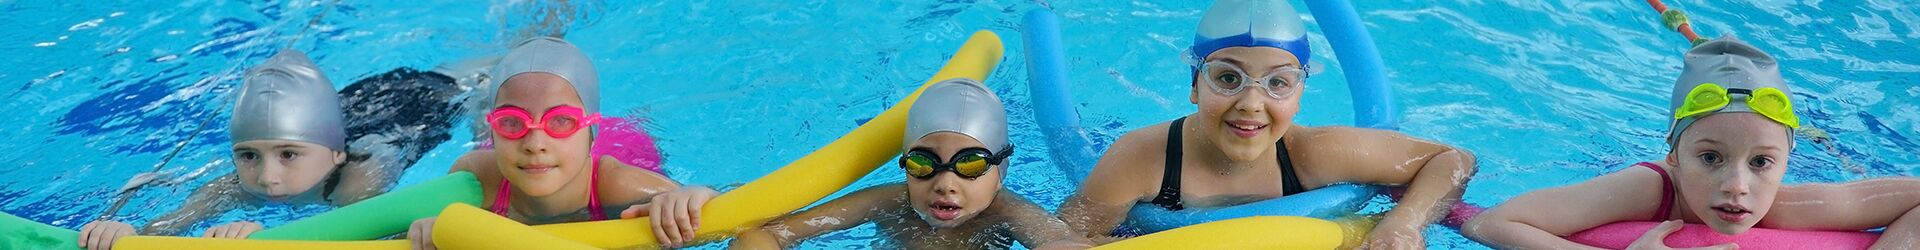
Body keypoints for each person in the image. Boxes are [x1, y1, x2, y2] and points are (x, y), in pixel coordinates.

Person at [1054, 0, 1477, 247]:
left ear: (1299, 96)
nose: (1251, 104)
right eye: (1227, 78)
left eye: (1278, 82)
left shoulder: (1315, 152)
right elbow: (1066, 239)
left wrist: (1404, 222)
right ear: (1194, 86)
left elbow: (1452, 158)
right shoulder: (1142, 159)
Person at [1463, 37, 1920, 249]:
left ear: (1787, 164)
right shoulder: (1647, 189)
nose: (1736, 185)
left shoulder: (1790, 205)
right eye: (1710, 157)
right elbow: (1490, 224)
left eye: (1761, 162)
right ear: (1674, 156)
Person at [403, 36, 716, 250]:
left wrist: (694, 197)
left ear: (591, 133)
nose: (535, 143)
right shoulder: (476, 178)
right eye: (511, 121)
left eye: (560, 121)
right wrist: (429, 231)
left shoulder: (621, 185)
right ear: (496, 129)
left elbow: (740, 213)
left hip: (627, 144)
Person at [729, 79, 1093, 249]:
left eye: (969, 165)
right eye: (923, 163)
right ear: (904, 164)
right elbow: (768, 234)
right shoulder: (887, 202)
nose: (945, 183)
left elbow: (1061, 242)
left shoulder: (1006, 211)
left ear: (1000, 172)